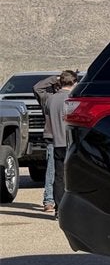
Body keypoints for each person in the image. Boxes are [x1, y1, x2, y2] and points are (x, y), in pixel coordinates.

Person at [46, 70, 78, 219]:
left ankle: (59, 209)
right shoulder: (71, 98)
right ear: (74, 82)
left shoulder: (51, 100)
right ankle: (72, 209)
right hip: (70, 142)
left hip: (56, 141)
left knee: (58, 177)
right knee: (73, 177)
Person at [32, 73, 62, 212]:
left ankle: (59, 200)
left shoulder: (71, 96)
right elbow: (37, 88)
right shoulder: (48, 99)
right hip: (53, 138)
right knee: (52, 170)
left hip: (65, 138)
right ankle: (49, 200)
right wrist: (54, 79)